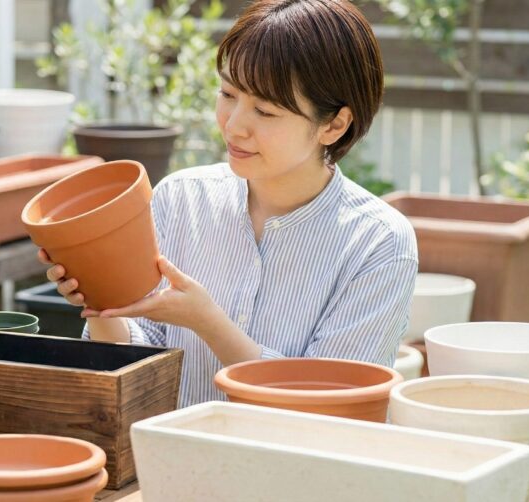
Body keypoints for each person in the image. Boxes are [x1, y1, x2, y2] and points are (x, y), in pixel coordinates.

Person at [38, 0, 418, 407]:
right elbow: (137, 363)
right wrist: (102, 303)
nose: (234, 125)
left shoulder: (379, 244)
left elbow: (334, 408)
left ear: (334, 124)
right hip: (167, 460)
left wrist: (208, 322)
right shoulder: (180, 198)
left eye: (266, 111)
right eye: (228, 93)